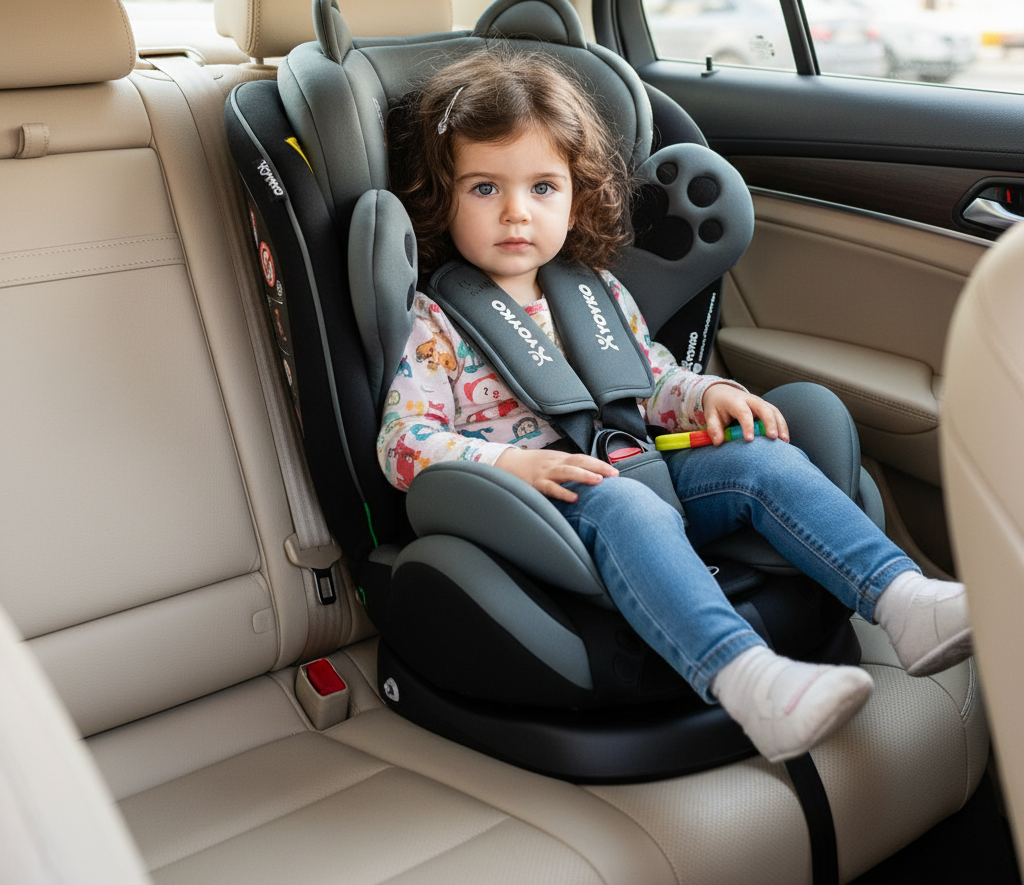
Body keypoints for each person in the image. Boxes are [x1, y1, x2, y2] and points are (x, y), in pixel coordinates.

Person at [376, 49, 972, 763]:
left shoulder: (593, 289)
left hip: (640, 464)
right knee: (629, 506)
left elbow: (652, 382)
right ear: (441, 198)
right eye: (484, 188)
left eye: (542, 187)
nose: (516, 212)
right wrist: (511, 465)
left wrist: (708, 394)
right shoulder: (435, 321)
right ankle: (750, 683)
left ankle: (903, 600)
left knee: (762, 460)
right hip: (539, 507)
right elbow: (403, 442)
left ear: (575, 194)